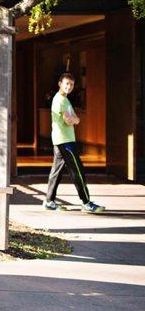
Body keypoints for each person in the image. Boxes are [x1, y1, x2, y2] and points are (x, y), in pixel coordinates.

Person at [43, 72, 105, 213]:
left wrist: (75, 118)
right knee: (78, 171)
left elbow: (74, 117)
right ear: (60, 84)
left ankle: (49, 201)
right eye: (66, 84)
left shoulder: (64, 99)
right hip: (65, 141)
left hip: (60, 140)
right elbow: (70, 119)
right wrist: (76, 120)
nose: (69, 87)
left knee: (56, 172)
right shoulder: (61, 100)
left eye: (71, 84)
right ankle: (86, 203)